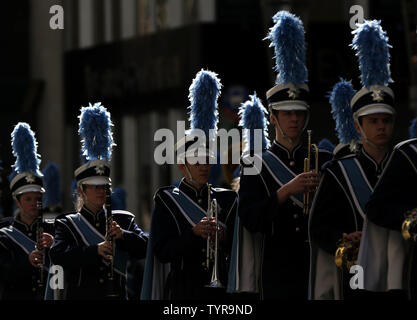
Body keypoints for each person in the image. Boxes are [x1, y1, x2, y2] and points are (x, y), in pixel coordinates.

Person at [231, 11, 332, 300]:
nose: (294, 120)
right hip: (277, 270)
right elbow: (250, 219)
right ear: (272, 118)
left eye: (299, 113)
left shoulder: (324, 160)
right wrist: (286, 191)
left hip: (319, 265)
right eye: (287, 114)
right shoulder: (254, 165)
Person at [309, 27, 395, 299]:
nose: (381, 127)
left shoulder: (406, 165)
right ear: (358, 127)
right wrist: (342, 238)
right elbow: (318, 227)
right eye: (373, 121)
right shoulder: (339, 171)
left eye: (386, 120)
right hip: (356, 273)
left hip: (400, 271)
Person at [141, 70, 238, 300]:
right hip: (183, 289)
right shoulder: (167, 199)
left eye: (207, 159)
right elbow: (161, 251)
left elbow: (239, 249)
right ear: (182, 165)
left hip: (220, 290)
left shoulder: (227, 199)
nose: (204, 166)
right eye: (197, 160)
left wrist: (223, 237)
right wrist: (193, 234)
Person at [49, 103, 148, 300]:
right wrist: (95, 250)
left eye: (103, 186)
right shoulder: (67, 224)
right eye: (94, 187)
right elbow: (58, 255)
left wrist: (123, 236)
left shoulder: (124, 220)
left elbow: (146, 247)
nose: (100, 191)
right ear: (81, 190)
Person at [0, 123, 54, 300]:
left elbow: (64, 272)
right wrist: (26, 262)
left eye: (37, 199)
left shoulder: (54, 230)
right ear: (17, 201)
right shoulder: (5, 235)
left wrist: (55, 248)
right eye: (28, 199)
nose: (34, 203)